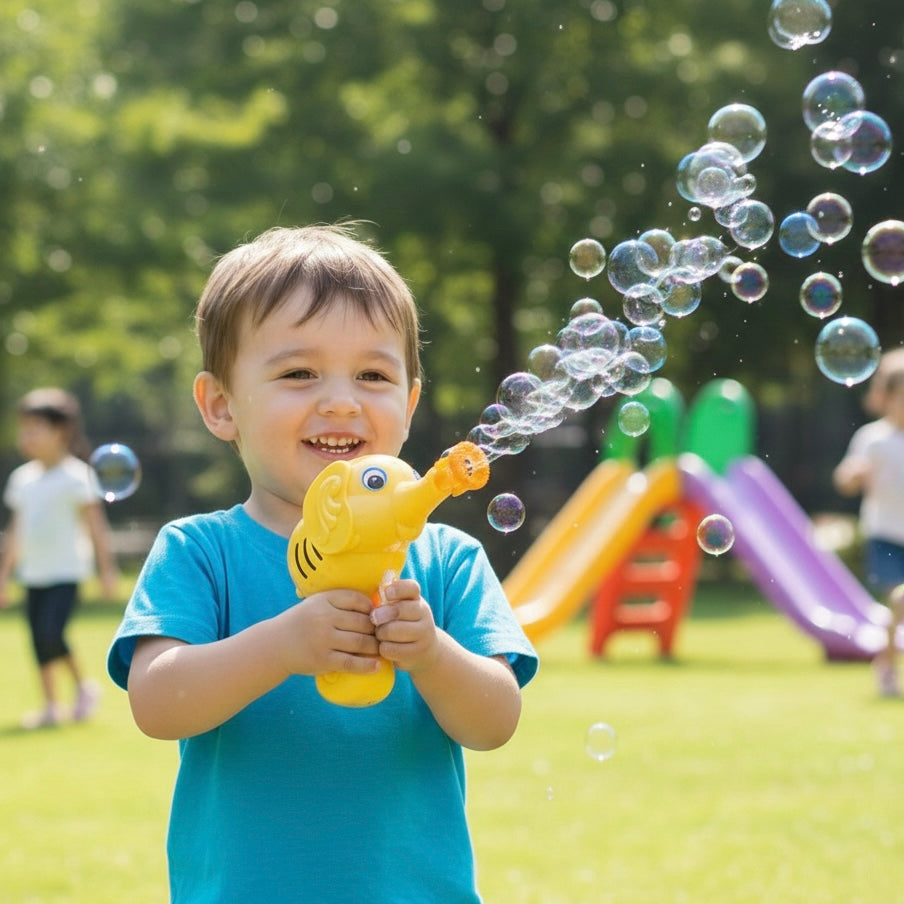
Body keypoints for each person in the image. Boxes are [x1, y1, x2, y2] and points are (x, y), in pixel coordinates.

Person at [107, 224, 539, 903]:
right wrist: (283, 644)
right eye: (298, 372)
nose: (341, 400)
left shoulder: (448, 558)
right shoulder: (200, 551)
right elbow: (157, 703)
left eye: (373, 375)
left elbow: (494, 723)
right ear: (221, 406)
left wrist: (430, 653)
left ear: (409, 404)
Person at [0, 388, 118, 727]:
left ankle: (83, 688)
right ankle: (51, 706)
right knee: (37, 640)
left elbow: (96, 527)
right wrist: (4, 576)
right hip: (33, 572)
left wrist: (106, 571)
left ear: (61, 431)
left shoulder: (77, 475)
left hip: (66, 571)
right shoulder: (23, 479)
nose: (27, 436)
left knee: (52, 633)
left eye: (35, 428)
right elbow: (16, 532)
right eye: (24, 429)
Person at [833, 351, 904, 697]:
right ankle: (888, 665)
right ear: (886, 398)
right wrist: (854, 475)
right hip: (885, 536)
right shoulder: (872, 438)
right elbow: (844, 480)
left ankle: (887, 660)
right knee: (900, 601)